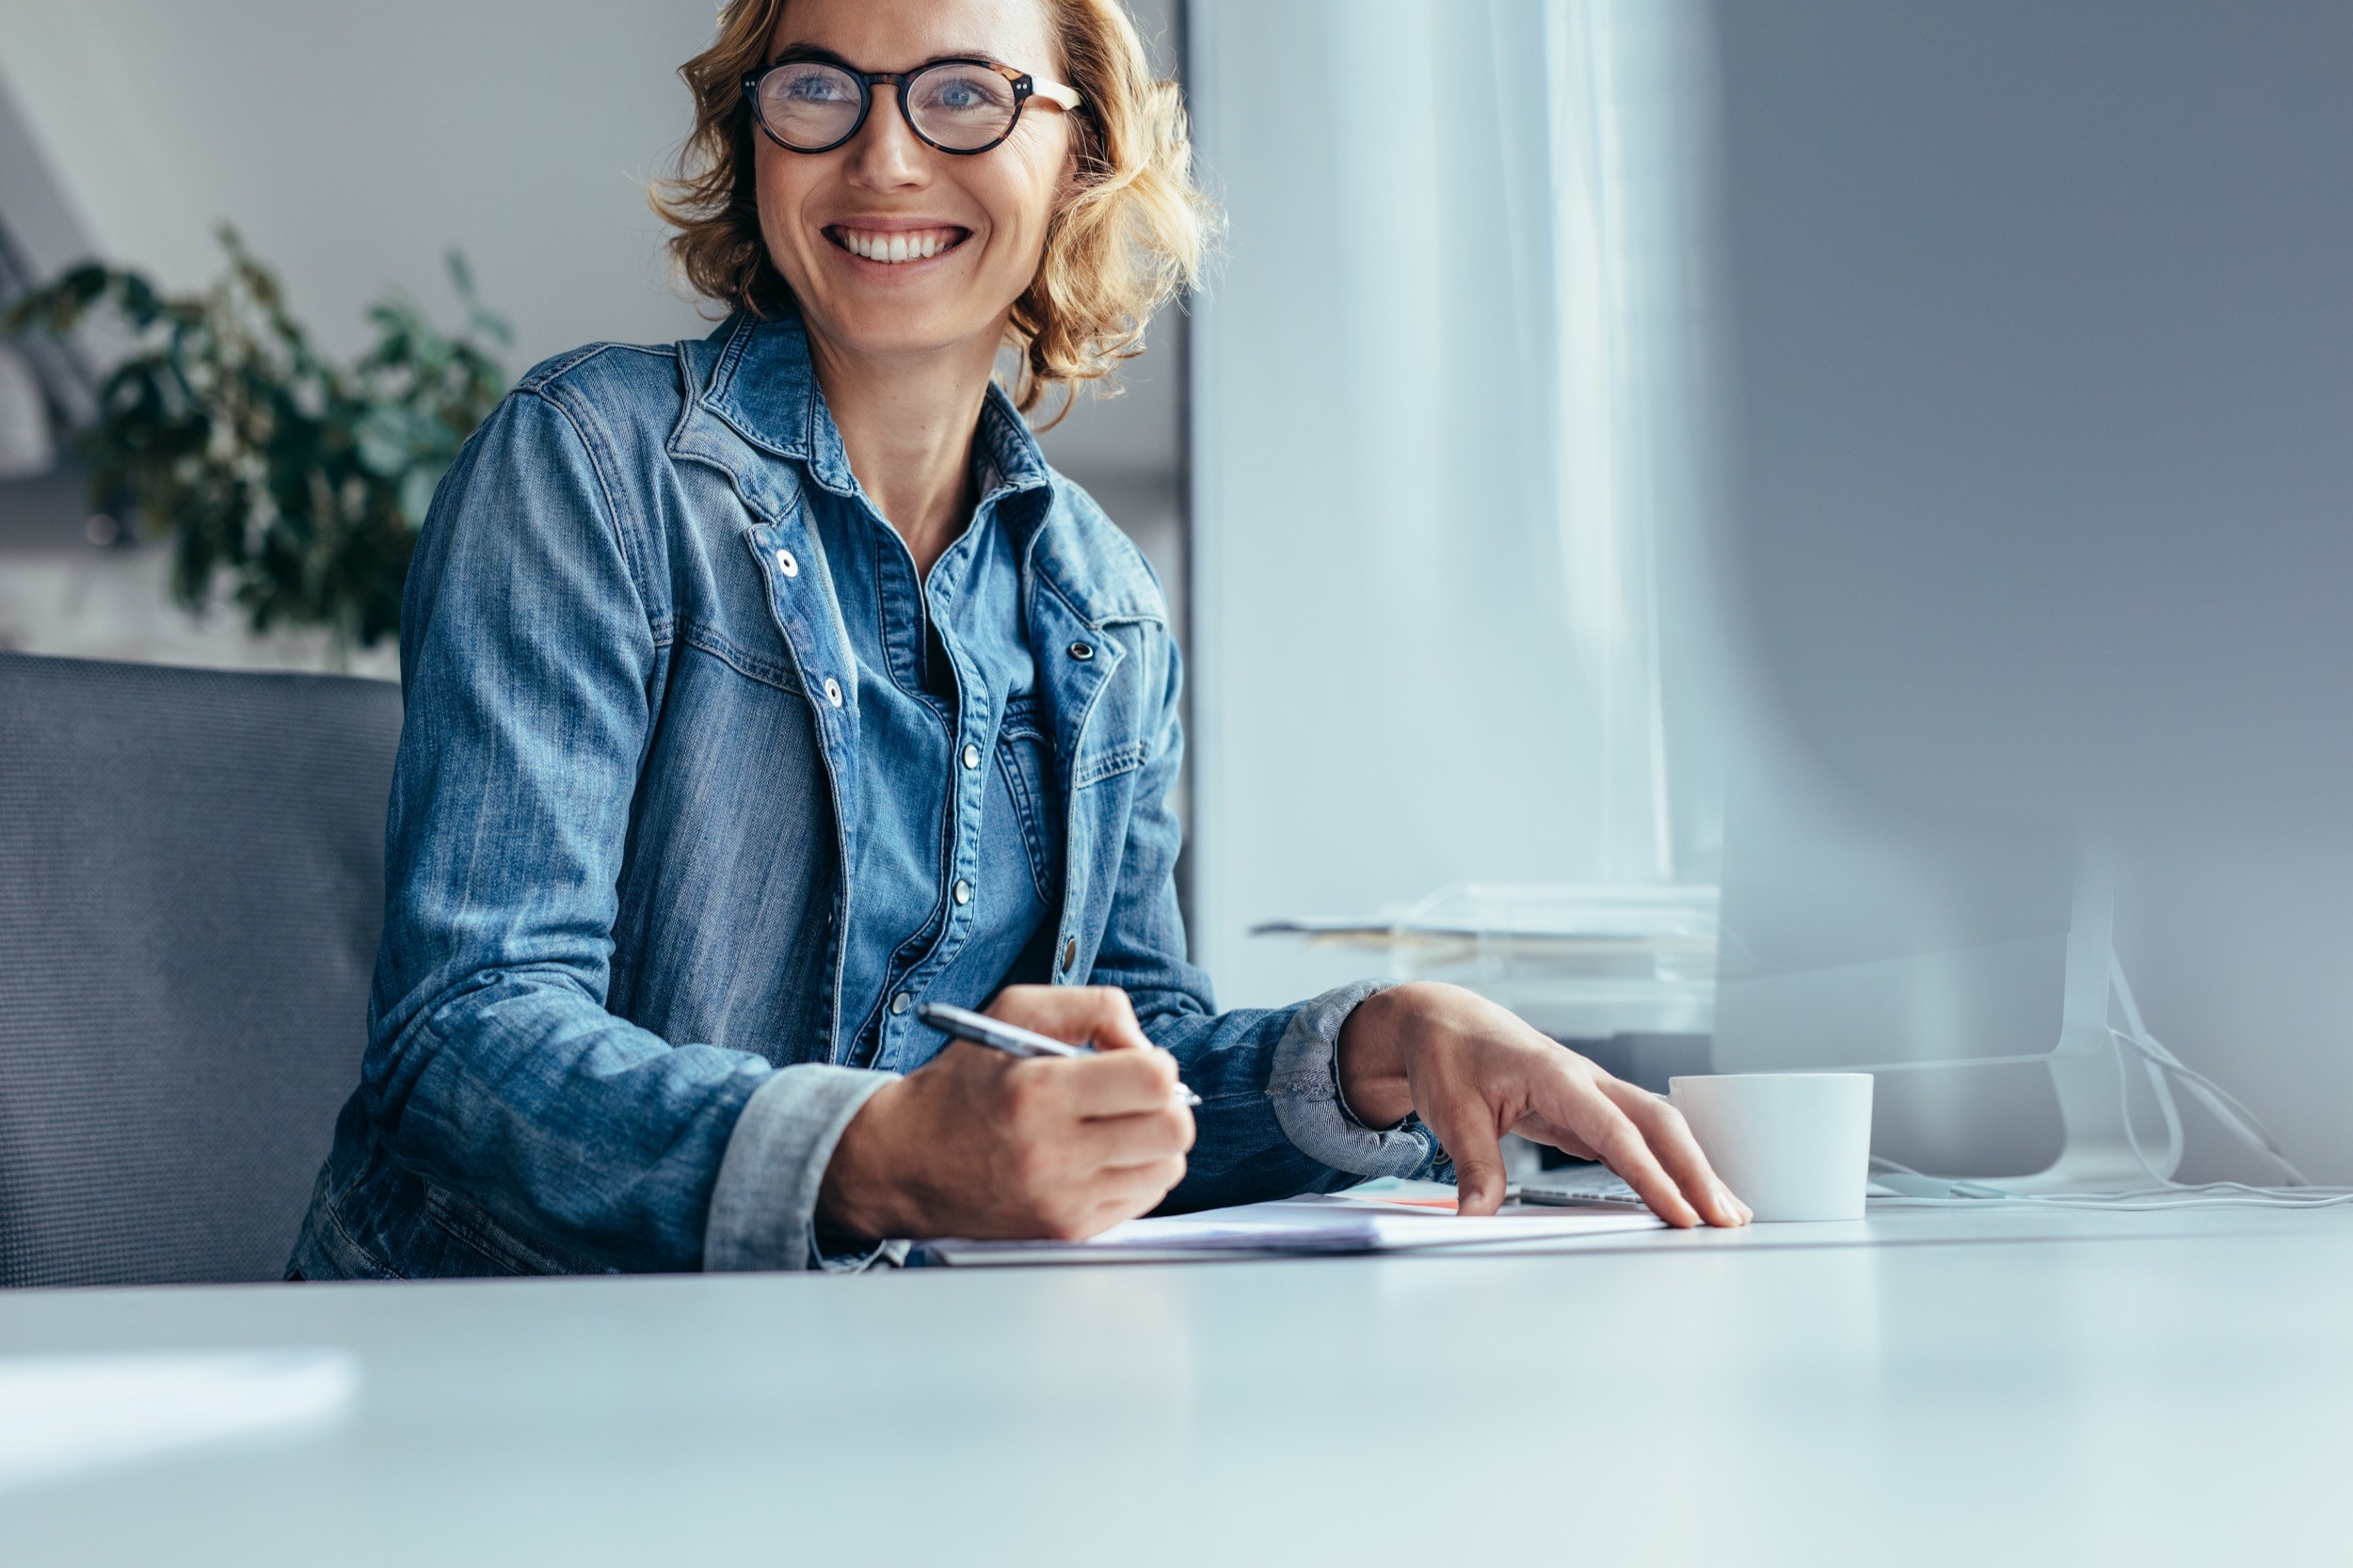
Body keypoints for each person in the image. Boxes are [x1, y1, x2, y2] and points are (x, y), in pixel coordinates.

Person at [289, 0, 1748, 1280]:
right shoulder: (589, 470)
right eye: (818, 87)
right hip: (509, 1393)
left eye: (965, 93)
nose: (885, 157)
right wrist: (885, 1150)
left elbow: (1130, 1072)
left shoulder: (1106, 609)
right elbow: (468, 1039)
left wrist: (1378, 1051)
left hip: (873, 1401)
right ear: (755, 136)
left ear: (1084, 156)